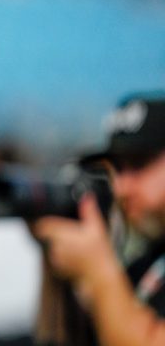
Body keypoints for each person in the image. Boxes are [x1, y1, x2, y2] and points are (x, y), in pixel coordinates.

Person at [34, 92, 165, 346]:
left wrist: (99, 271)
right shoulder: (142, 266)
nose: (122, 187)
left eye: (139, 164)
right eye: (117, 168)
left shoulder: (112, 271)